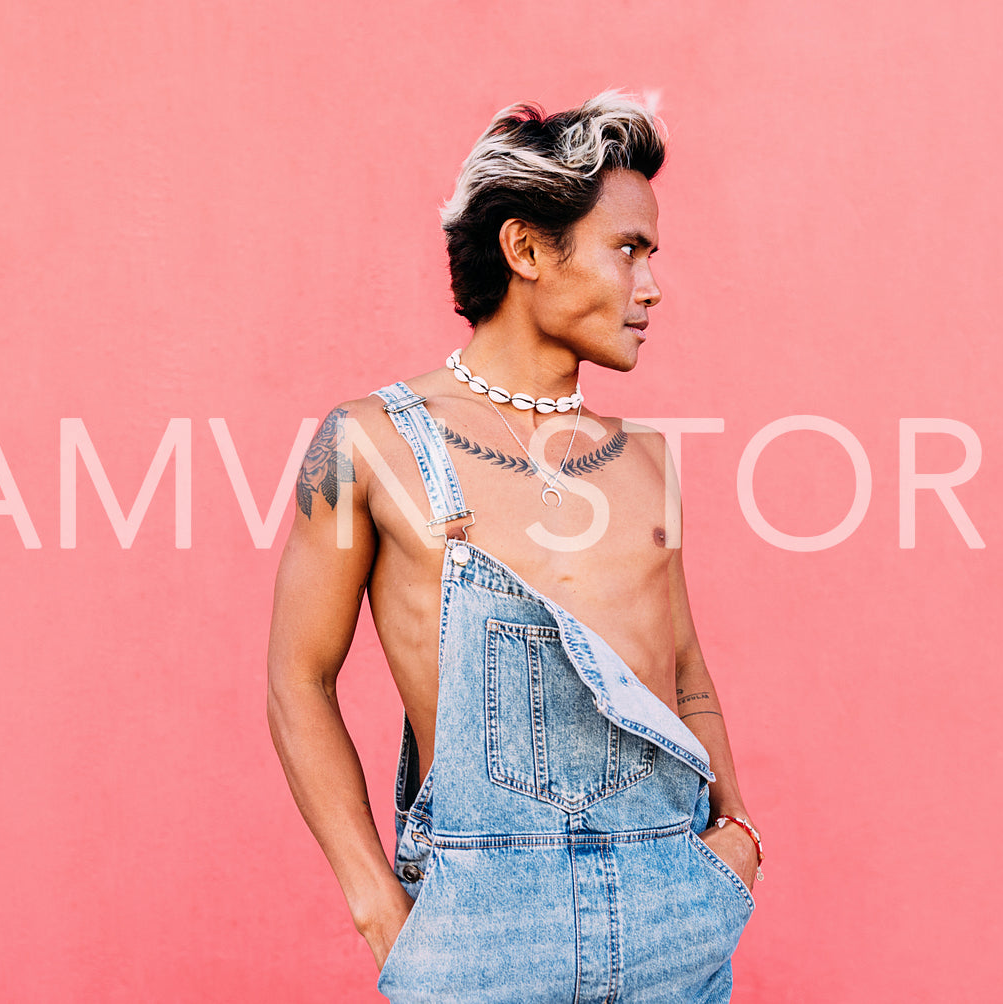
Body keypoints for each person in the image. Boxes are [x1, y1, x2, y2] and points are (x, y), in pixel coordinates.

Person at [266, 90, 762, 1003]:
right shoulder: (371, 442)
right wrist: (379, 906)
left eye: (651, 255)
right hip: (479, 925)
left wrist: (737, 838)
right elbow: (297, 679)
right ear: (528, 249)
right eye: (628, 249)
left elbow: (683, 669)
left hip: (673, 916)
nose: (650, 286)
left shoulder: (644, 462)